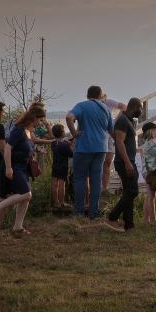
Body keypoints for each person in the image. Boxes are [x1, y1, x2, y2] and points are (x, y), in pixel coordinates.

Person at [0, 106, 44, 235]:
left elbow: (25, 147)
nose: (41, 123)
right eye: (41, 120)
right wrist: (8, 168)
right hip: (14, 167)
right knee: (26, 194)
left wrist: (36, 151)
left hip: (23, 167)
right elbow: (8, 148)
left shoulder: (28, 131)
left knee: (25, 198)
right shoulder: (18, 131)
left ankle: (18, 227)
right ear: (34, 118)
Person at [66, 86, 114, 220]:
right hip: (101, 148)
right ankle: (94, 212)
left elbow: (69, 117)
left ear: (87, 95)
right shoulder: (106, 109)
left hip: (84, 147)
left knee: (80, 178)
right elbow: (111, 130)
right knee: (96, 179)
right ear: (100, 95)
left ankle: (79, 211)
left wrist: (74, 133)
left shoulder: (81, 106)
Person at [105, 98, 143, 232]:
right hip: (124, 161)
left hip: (128, 160)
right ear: (134, 107)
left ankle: (129, 225)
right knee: (133, 191)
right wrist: (127, 162)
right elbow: (119, 142)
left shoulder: (129, 121)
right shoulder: (122, 120)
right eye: (140, 108)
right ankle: (112, 217)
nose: (141, 111)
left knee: (128, 191)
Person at [102, 94, 127, 193]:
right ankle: (98, 187)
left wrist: (114, 121)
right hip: (100, 134)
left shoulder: (108, 101)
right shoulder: (94, 104)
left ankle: (105, 188)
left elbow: (124, 107)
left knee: (108, 162)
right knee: (100, 161)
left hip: (110, 133)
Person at [141, 121, 156, 227]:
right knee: (151, 197)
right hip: (152, 173)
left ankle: (145, 218)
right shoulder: (152, 143)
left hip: (147, 172)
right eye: (155, 129)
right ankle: (153, 220)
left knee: (149, 196)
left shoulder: (146, 144)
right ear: (150, 131)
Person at [50, 124, 73, 211]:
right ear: (62, 133)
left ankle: (56, 202)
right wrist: (70, 145)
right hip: (63, 167)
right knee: (62, 185)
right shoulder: (64, 145)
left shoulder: (53, 143)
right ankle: (62, 202)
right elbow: (71, 154)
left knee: (54, 184)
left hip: (55, 166)